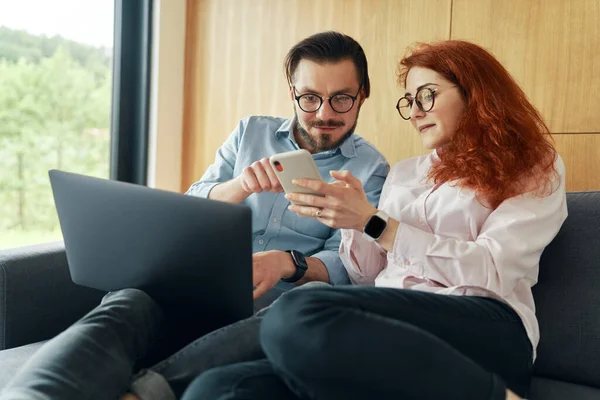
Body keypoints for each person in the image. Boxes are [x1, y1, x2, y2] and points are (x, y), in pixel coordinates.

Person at [0, 32, 388, 400]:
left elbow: (351, 264)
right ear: (292, 93)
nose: (323, 113)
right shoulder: (250, 132)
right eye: (309, 98)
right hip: (198, 286)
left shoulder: (371, 170)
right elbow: (193, 203)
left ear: (362, 95)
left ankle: (142, 394)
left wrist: (286, 263)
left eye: (340, 99)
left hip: (274, 304)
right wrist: (239, 186)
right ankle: (32, 393)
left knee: (309, 302)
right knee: (129, 300)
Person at [183, 40, 568, 400]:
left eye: (427, 95)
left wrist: (373, 223)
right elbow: (366, 274)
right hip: (391, 325)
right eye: (410, 100)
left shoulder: (532, 166)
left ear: (476, 92)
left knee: (299, 309)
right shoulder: (405, 173)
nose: (416, 111)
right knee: (215, 388)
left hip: (484, 325)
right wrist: (349, 219)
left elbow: (493, 270)